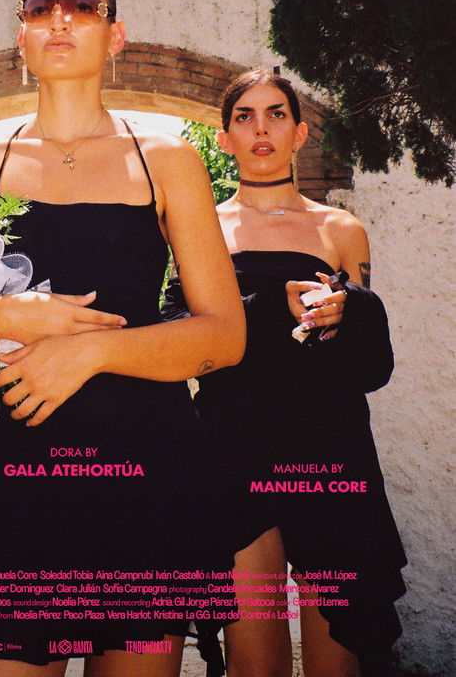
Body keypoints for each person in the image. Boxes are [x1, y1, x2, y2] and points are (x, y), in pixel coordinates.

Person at [0, 0, 246, 675]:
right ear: (21, 34)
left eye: (82, 5)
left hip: (144, 472)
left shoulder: (167, 160)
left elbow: (225, 335)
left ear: (115, 36)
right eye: (40, 7)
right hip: (21, 474)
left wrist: (88, 351)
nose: (60, 18)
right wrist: (8, 312)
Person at [167, 70, 406, 677]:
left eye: (276, 114)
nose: (261, 129)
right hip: (232, 447)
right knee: (255, 660)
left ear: (299, 134)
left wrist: (350, 312)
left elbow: (371, 367)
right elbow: (181, 337)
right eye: (244, 116)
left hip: (329, 447)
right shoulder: (197, 229)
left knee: (338, 653)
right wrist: (274, 309)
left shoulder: (341, 229)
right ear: (224, 138)